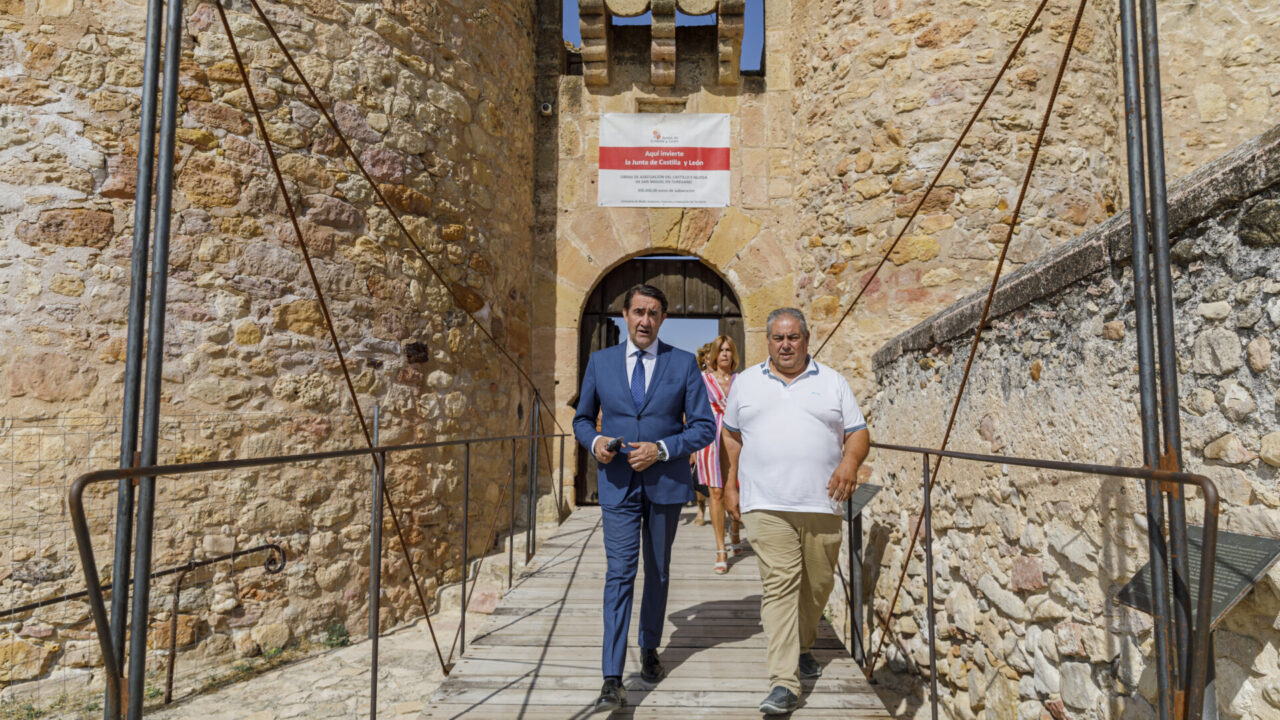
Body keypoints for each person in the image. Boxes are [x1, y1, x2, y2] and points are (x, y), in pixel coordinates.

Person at [573, 283, 716, 712]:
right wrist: (595, 441)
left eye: (653, 313)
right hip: (617, 484)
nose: (645, 320)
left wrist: (664, 448)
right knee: (620, 573)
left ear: (663, 319)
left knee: (658, 572)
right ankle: (612, 677)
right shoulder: (600, 362)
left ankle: (650, 646)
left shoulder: (684, 363)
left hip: (666, 484)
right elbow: (582, 419)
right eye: (638, 311)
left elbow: (704, 427)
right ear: (624, 314)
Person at [722, 307, 870, 715]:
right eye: (778, 338)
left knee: (818, 584)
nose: (785, 345)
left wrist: (850, 463)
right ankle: (784, 682)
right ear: (767, 340)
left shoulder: (833, 382)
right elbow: (731, 434)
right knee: (781, 585)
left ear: (806, 338)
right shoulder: (746, 383)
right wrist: (731, 482)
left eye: (793, 338)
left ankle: (804, 645)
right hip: (765, 504)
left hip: (823, 501)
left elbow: (858, 432)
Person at [691, 334, 743, 573]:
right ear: (713, 354)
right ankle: (721, 548)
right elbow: (691, 411)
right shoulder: (702, 379)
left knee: (736, 487)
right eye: (720, 350)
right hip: (710, 438)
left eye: (728, 350)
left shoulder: (741, 381)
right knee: (716, 490)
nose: (724, 354)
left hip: (736, 437)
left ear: (733, 354)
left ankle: (734, 529)